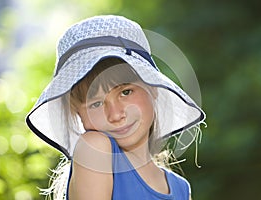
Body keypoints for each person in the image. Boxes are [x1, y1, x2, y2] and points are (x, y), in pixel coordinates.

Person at [26, 15, 206, 200]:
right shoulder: (95, 148)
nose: (115, 115)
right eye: (96, 103)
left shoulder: (180, 188)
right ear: (76, 111)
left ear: (152, 87)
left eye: (126, 92)